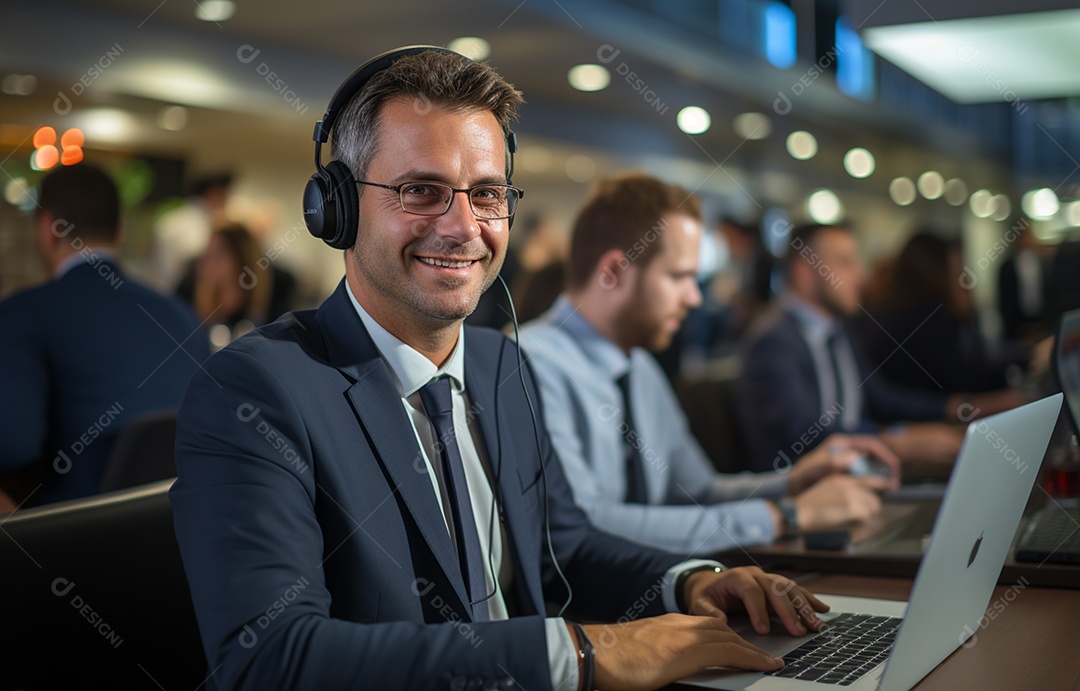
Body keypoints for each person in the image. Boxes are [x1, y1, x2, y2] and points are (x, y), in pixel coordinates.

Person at [169, 48, 831, 691]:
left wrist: (692, 582)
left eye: (486, 194)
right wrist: (578, 651)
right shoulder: (254, 391)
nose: (464, 227)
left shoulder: (499, 361)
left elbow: (563, 547)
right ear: (335, 208)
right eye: (421, 190)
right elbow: (272, 660)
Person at [518, 173, 896, 554]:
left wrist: (790, 483)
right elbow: (586, 526)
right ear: (614, 272)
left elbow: (696, 491)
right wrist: (786, 515)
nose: (694, 298)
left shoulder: (639, 368)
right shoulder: (530, 365)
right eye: (679, 276)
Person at [0, 164, 209, 507]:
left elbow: (13, 446)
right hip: (176, 530)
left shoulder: (24, 312)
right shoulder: (182, 315)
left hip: (73, 535)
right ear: (120, 231)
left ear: (49, 228)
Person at [737, 223, 1010, 473]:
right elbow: (804, 433)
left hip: (858, 473)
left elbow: (881, 398)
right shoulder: (772, 341)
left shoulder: (838, 328)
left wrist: (960, 407)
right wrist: (897, 441)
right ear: (804, 274)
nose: (861, 276)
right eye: (846, 263)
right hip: (807, 492)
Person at [860, 231, 1018, 393]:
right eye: (957, 272)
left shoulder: (893, 310)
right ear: (937, 271)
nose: (965, 281)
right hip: (922, 414)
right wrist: (1015, 373)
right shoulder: (923, 316)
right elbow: (964, 380)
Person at [175, 222, 298, 344]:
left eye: (219, 253)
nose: (208, 261)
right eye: (208, 253)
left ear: (241, 256)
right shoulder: (189, 293)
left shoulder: (277, 294)